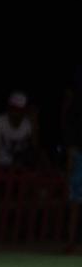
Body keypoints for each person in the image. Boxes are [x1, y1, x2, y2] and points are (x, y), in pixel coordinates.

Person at [0, 92, 45, 169]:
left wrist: (34, 125)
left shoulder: (28, 124)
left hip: (21, 167)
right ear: (8, 108)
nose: (16, 112)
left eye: (20, 109)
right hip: (0, 165)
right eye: (14, 108)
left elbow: (35, 148)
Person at [62, 81, 82, 254]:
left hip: (77, 155)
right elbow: (71, 143)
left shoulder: (72, 110)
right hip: (78, 155)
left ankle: (72, 242)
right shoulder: (73, 110)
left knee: (75, 201)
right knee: (75, 201)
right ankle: (71, 242)